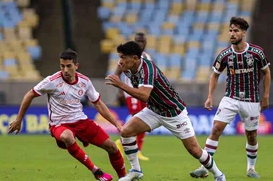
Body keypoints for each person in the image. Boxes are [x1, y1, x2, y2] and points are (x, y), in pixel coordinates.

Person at [105, 41, 226, 181]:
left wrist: (120, 85)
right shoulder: (127, 69)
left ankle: (219, 175)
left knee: (194, 150)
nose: (120, 62)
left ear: (135, 58)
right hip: (154, 111)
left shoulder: (148, 69)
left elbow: (144, 95)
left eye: (123, 57)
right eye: (119, 57)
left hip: (174, 113)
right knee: (126, 132)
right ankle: (136, 170)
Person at [8, 49, 126, 181]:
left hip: (81, 122)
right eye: (62, 66)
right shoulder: (52, 81)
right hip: (59, 125)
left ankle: (124, 178)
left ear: (76, 66)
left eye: (68, 66)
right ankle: (96, 171)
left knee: (112, 147)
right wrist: (19, 119)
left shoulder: (85, 82)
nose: (65, 70)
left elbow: (98, 104)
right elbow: (30, 94)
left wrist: (116, 124)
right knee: (67, 136)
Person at [189, 17, 271, 179]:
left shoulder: (256, 52)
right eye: (230, 30)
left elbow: (266, 72)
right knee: (216, 129)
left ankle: (251, 169)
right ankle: (204, 167)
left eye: (236, 31)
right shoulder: (225, 54)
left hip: (251, 100)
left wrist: (266, 95)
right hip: (230, 98)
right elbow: (215, 75)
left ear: (244, 33)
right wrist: (210, 96)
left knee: (251, 135)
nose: (232, 34)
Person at [114, 32, 152, 161]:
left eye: (142, 41)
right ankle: (122, 142)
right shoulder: (127, 58)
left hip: (144, 93)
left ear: (146, 42)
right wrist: (120, 91)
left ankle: (136, 149)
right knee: (138, 117)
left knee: (144, 120)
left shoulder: (147, 57)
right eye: (138, 41)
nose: (140, 43)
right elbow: (117, 73)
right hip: (132, 93)